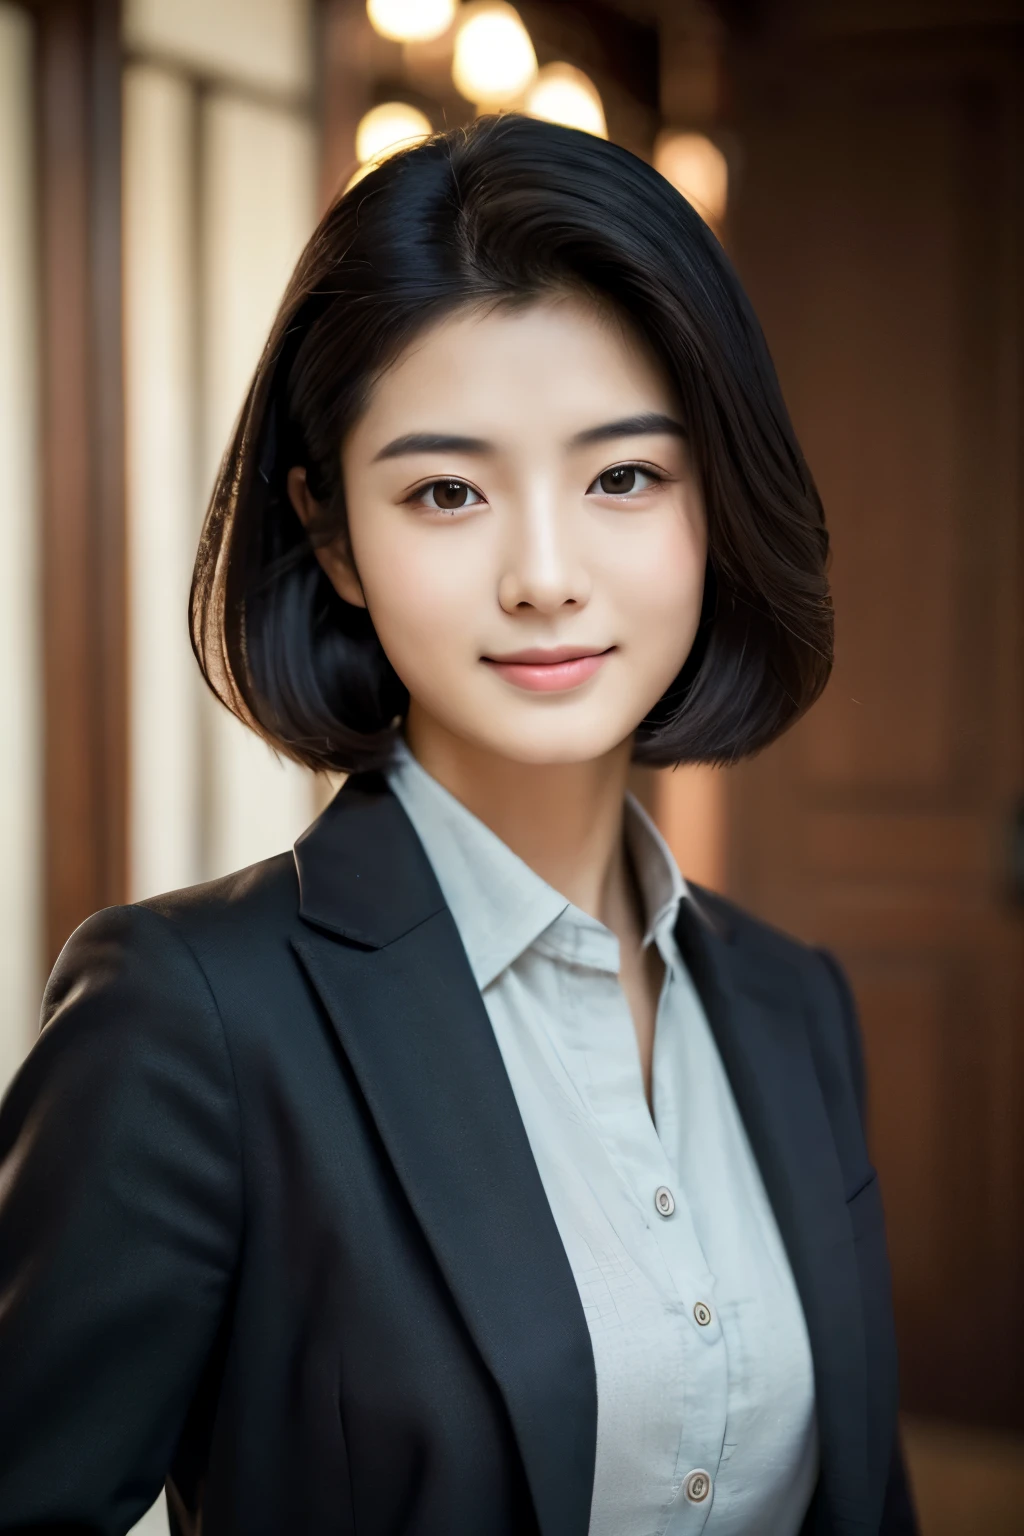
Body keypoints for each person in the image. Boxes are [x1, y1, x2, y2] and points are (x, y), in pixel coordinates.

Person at [0, 114, 918, 1536]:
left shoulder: (795, 1005)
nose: (544, 576)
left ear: (713, 502)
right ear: (330, 535)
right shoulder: (192, 1022)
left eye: (624, 477)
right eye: (446, 491)